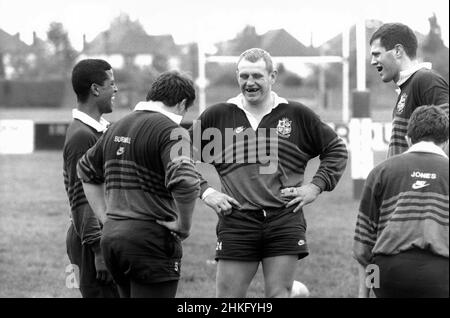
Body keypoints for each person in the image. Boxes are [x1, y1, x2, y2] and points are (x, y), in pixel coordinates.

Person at [191, 48, 348, 297]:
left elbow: (336, 149)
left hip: (284, 218)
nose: (249, 83)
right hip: (237, 220)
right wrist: (205, 191)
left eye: (257, 76)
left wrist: (314, 187)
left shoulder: (297, 115)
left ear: (272, 76)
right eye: (243, 76)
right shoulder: (218, 115)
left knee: (278, 295)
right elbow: (178, 157)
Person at [77, 71, 200, 298]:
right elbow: (185, 181)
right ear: (182, 103)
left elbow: (85, 171)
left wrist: (107, 219)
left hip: (113, 239)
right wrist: (184, 225)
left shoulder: (116, 126)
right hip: (150, 239)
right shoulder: (173, 131)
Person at [353, 105, 449, 298]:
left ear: (408, 139)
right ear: (446, 142)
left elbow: (363, 248)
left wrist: (367, 294)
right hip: (441, 275)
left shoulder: (380, 172)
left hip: (387, 274)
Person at [63, 58, 119, 297]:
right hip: (92, 242)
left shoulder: (99, 129)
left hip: (104, 235)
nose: (116, 89)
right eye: (111, 83)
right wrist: (98, 250)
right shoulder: (81, 136)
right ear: (96, 89)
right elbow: (80, 196)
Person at [369, 22, 449, 157]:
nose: (372, 61)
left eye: (377, 54)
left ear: (398, 51)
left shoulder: (426, 80)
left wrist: (427, 175)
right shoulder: (408, 86)